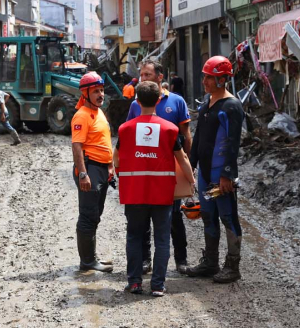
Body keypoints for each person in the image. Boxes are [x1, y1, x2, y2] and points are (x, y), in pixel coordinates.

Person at [116, 81, 195, 296]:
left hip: (134, 192)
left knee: (134, 236)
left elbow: (116, 159)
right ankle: (158, 285)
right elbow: (183, 159)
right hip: (162, 193)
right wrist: (191, 181)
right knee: (162, 239)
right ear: (159, 100)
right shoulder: (170, 129)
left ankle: (134, 282)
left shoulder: (125, 129)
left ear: (137, 101)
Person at [185, 56, 245, 284]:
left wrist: (227, 174)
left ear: (222, 79)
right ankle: (211, 262)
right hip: (205, 174)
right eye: (205, 76)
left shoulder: (231, 107)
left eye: (209, 77)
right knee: (208, 215)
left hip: (221, 175)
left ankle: (233, 266)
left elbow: (232, 143)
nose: (205, 81)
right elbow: (199, 138)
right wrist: (191, 165)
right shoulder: (206, 105)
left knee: (228, 217)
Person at [71, 71, 114, 273]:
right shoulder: (81, 115)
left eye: (102, 90)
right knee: (88, 216)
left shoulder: (98, 112)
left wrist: (111, 166)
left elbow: (104, 141)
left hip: (102, 168)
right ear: (85, 93)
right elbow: (77, 147)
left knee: (95, 215)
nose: (101, 94)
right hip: (89, 169)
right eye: (96, 91)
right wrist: (82, 173)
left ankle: (92, 257)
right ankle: (87, 262)